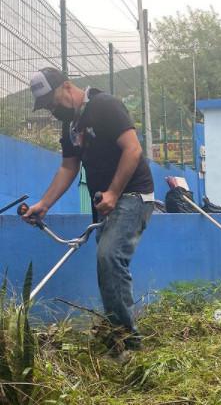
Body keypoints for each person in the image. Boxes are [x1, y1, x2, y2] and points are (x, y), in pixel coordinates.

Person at [24, 67, 154, 350]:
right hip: (105, 202)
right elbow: (68, 167)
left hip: (132, 195)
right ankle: (119, 339)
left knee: (109, 257)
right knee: (107, 267)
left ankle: (129, 344)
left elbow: (133, 150)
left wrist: (114, 192)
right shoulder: (71, 126)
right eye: (46, 106)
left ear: (67, 86)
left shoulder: (105, 106)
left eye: (52, 102)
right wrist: (44, 205)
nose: (52, 110)